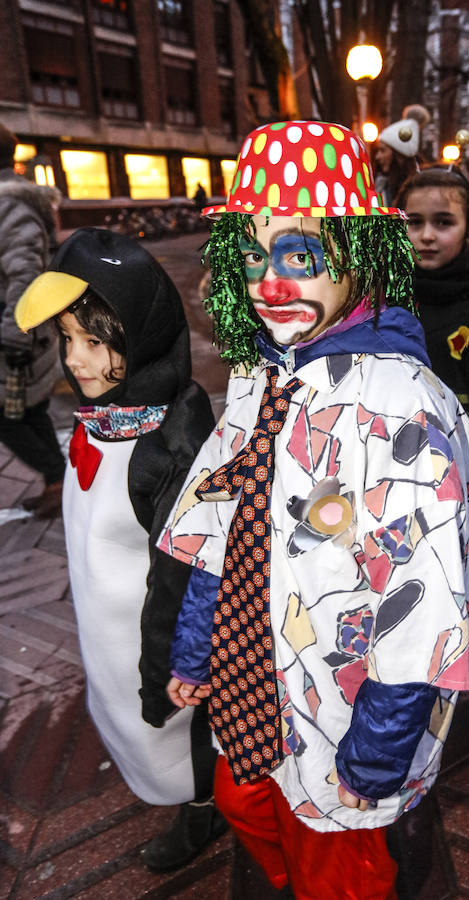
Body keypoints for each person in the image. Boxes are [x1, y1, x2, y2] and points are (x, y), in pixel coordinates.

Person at [160, 120, 469, 900]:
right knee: (244, 803)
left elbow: (423, 602)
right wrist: (198, 645)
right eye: (251, 252)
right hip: (253, 687)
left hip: (345, 718)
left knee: (335, 871)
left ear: (357, 254)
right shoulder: (258, 374)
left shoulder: (402, 409)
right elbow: (220, 522)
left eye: (299, 254)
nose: (270, 283)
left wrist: (375, 755)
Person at [14, 228, 227, 872]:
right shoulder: (101, 420)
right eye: (67, 340)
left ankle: (203, 807)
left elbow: (188, 574)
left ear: (140, 336)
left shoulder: (166, 446)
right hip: (107, 633)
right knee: (131, 729)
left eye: (97, 342)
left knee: (178, 738)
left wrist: (172, 666)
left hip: (154, 642)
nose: (77, 361)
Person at [397, 165, 469, 565]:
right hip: (393, 476)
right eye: (415, 222)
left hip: (456, 485)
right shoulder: (388, 301)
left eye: (443, 222)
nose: (426, 235)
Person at [0, 122, 65, 518]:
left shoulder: (8, 203)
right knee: (29, 411)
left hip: (17, 334)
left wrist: (13, 335)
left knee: (9, 418)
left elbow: (25, 274)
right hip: (22, 331)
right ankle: (58, 483)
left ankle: (57, 477)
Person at [372, 104, 430, 207]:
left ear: (398, 155)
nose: (377, 157)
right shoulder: (380, 186)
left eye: (382, 150)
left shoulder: (421, 189)